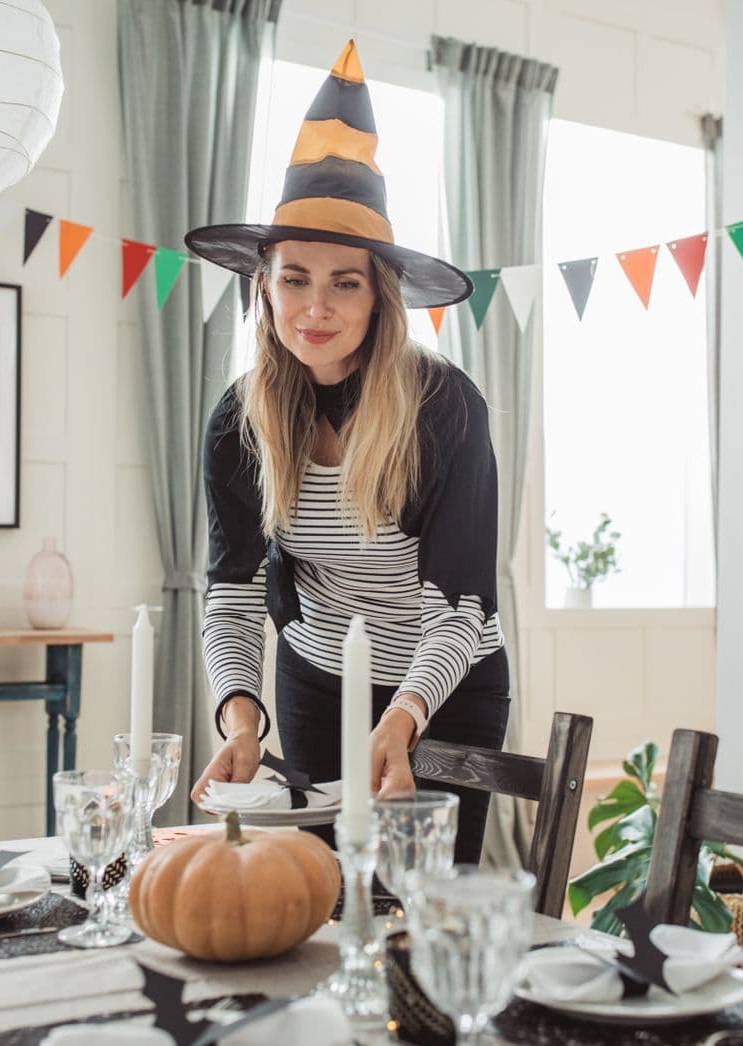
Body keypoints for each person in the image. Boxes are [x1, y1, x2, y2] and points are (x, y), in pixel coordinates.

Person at [183, 41, 508, 864]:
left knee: (421, 910)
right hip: (316, 677)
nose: (315, 307)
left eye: (344, 282)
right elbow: (230, 591)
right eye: (295, 278)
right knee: (320, 895)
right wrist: (240, 715)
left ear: (379, 296)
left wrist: (402, 717)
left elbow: (461, 608)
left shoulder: (443, 410)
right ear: (263, 284)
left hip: (443, 688)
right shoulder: (239, 423)